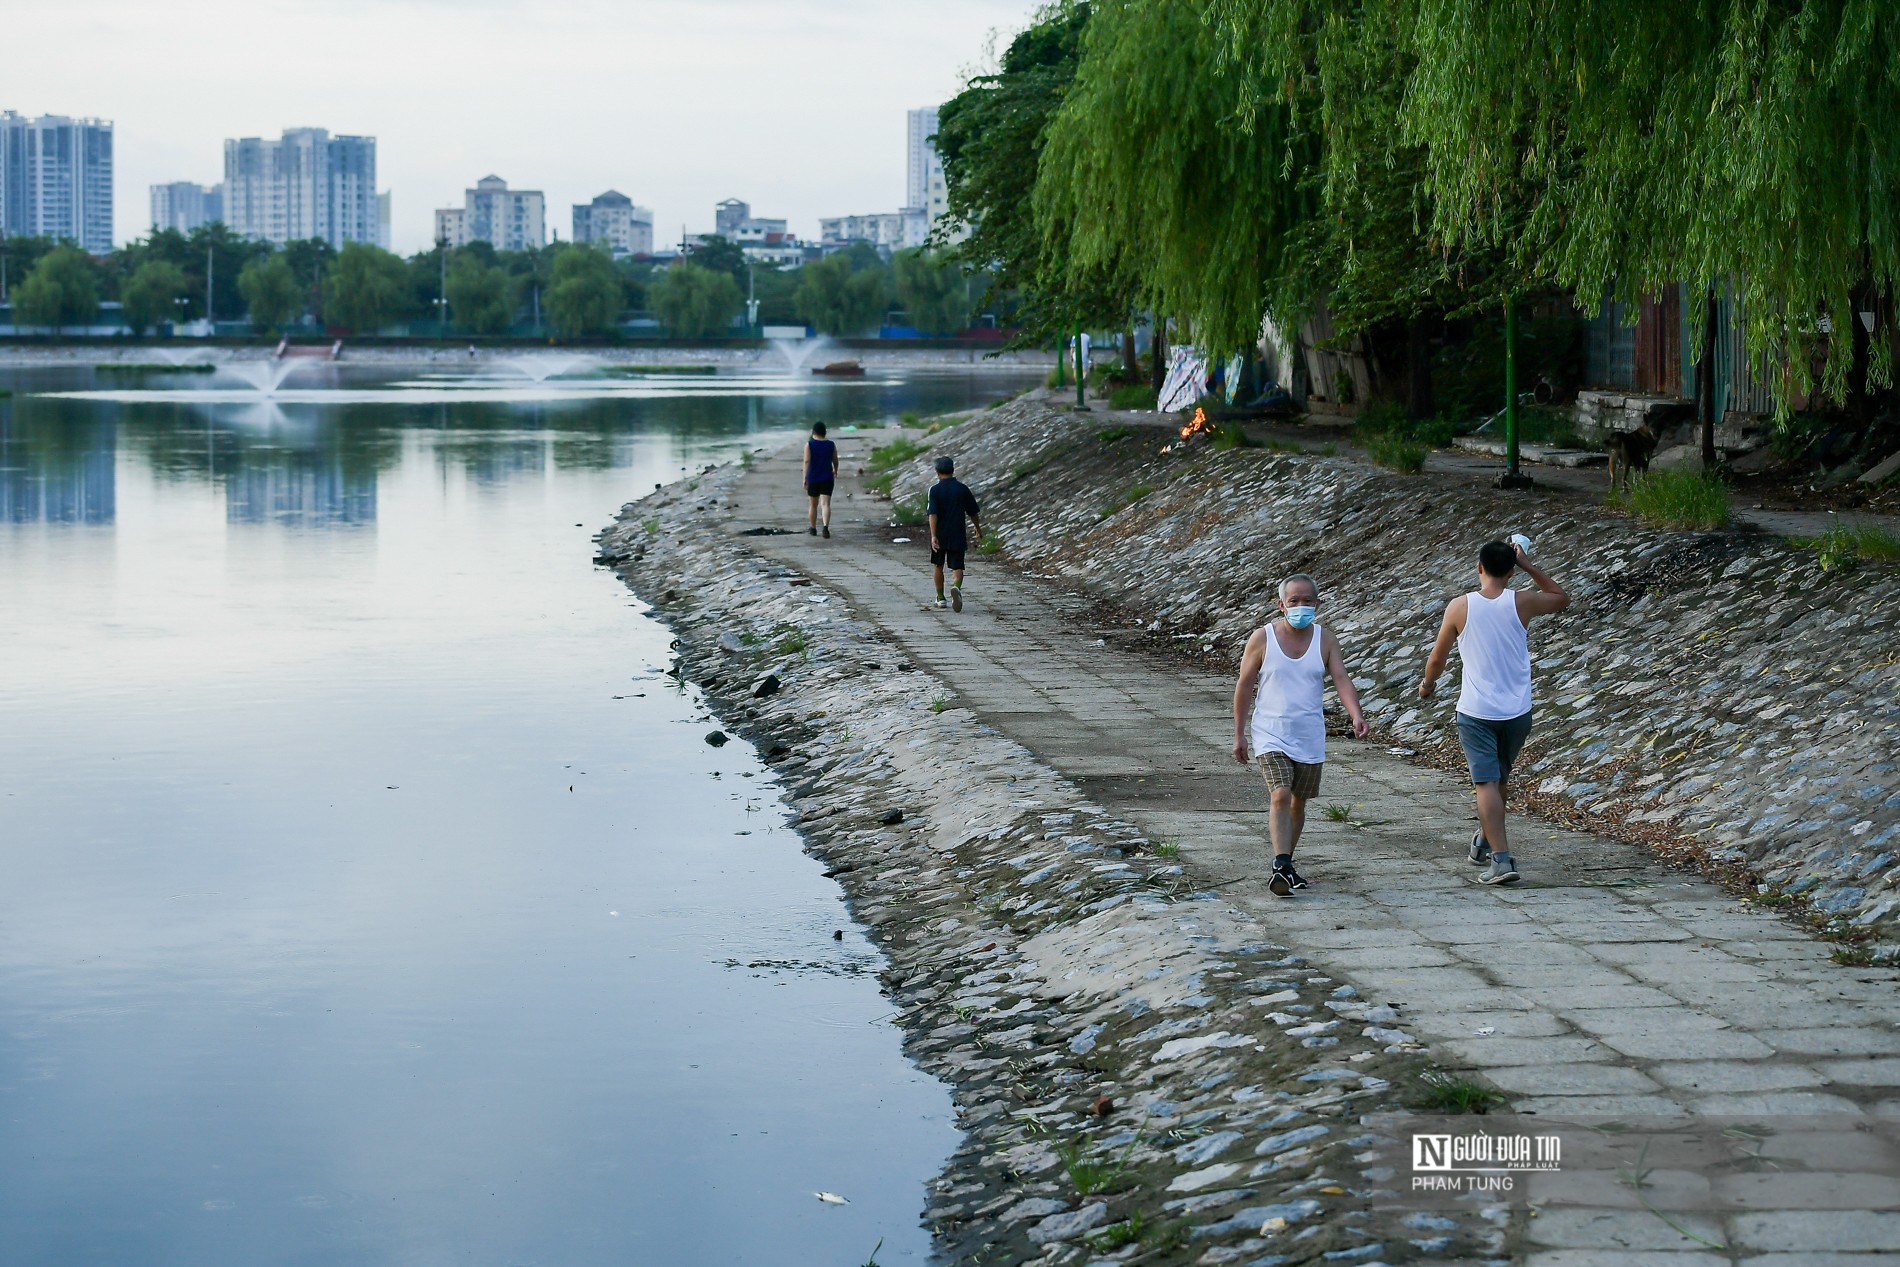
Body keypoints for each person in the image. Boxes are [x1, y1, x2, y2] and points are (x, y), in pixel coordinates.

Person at [1419, 540, 1570, 884]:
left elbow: (1438, 657)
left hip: (1476, 711)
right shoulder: (1523, 601)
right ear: (1512, 570)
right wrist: (1531, 567)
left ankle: (1501, 861)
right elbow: (1562, 598)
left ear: (1479, 568)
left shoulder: (1460, 606)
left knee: (1486, 782)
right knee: (1500, 778)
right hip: (1517, 711)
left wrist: (1427, 684)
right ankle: (1485, 839)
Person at [1232, 573, 1370, 896]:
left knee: (1298, 802)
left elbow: (1341, 679)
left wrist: (1356, 714)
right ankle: (1280, 865)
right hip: (1270, 733)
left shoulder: (1326, 640)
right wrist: (1238, 733)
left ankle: (1287, 865)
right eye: (1294, 601)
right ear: (1281, 605)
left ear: (1318, 604)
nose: (1301, 607)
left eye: (1308, 601)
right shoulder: (1262, 638)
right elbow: (1244, 685)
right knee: (1280, 794)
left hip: (1309, 736)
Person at [926, 455, 982, 611]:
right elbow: (973, 512)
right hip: (957, 532)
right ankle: (956, 587)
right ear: (953, 470)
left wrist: (933, 535)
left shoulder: (935, 490)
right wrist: (978, 528)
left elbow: (933, 514)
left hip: (940, 533)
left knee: (938, 565)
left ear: (937, 472)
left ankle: (941, 597)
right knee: (957, 567)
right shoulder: (962, 489)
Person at [802, 422, 839, 538]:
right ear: (825, 432)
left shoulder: (809, 445)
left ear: (813, 432)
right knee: (825, 504)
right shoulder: (831, 444)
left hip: (813, 478)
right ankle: (825, 528)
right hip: (827, 477)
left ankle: (813, 528)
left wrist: (805, 477)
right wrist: (835, 469)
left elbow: (807, 461)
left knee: (813, 505)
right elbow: (835, 459)